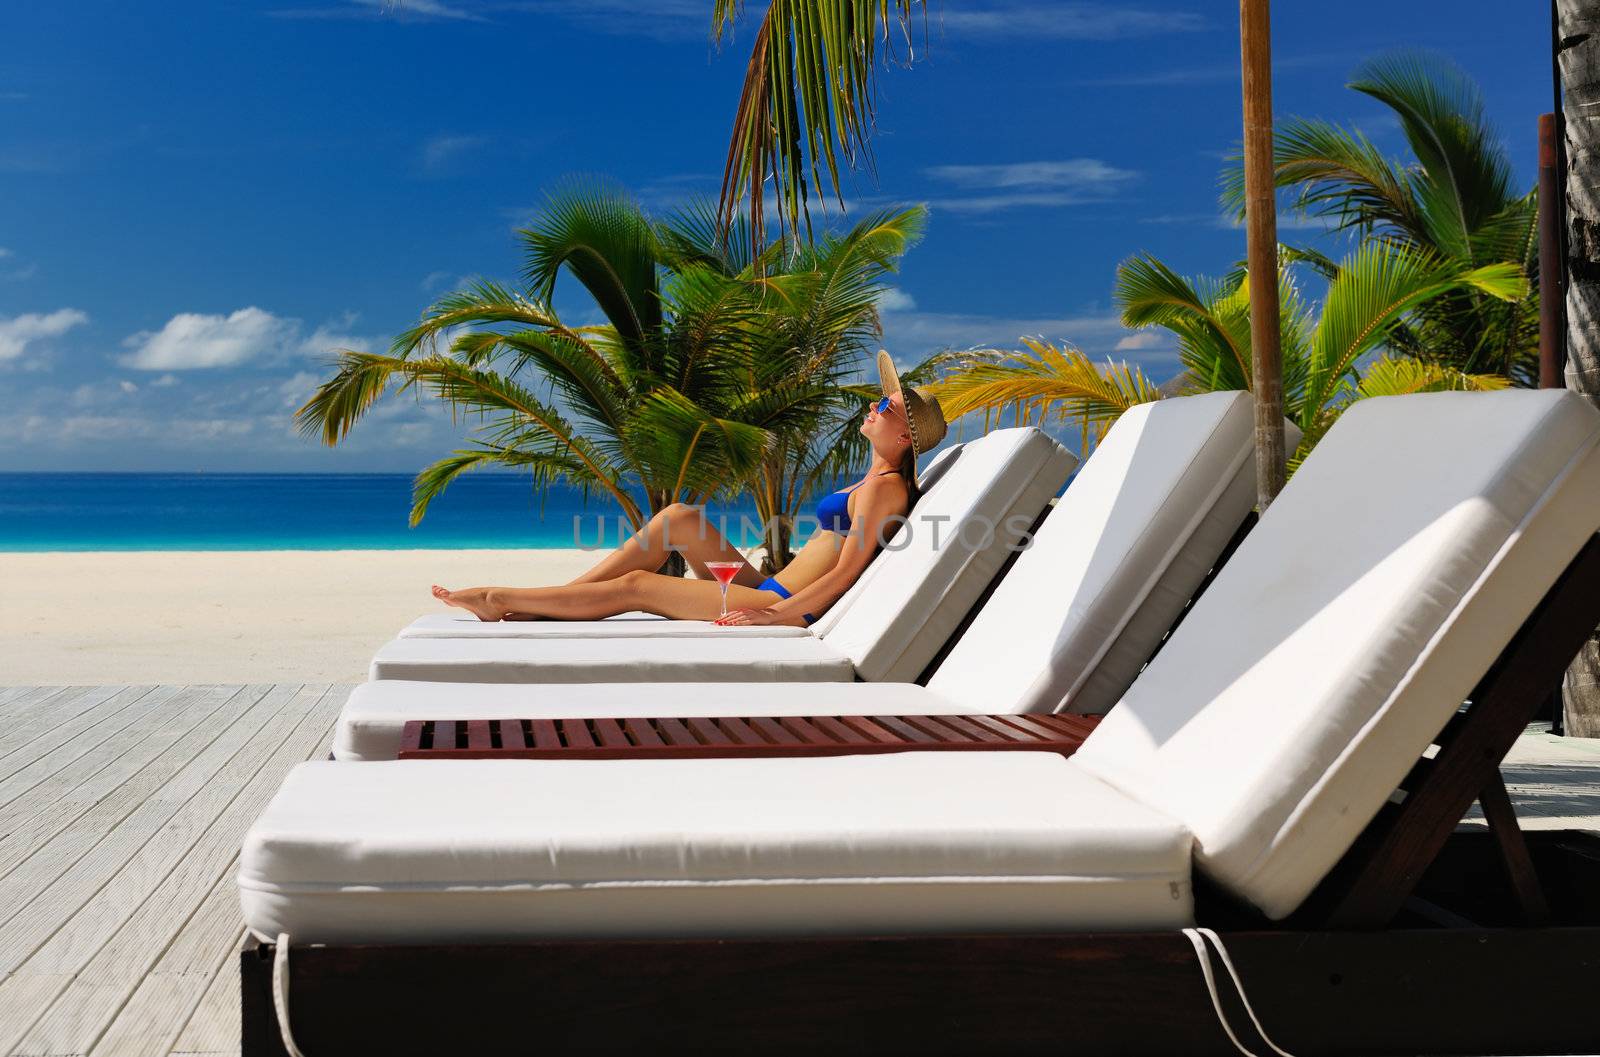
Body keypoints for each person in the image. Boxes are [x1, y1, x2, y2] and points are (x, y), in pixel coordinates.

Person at [431, 352, 947, 628]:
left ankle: (501, 599)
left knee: (637, 586)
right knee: (679, 517)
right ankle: (556, 600)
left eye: (886, 407)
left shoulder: (884, 491)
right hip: (772, 586)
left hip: (785, 602)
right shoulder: (873, 480)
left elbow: (846, 573)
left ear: (903, 436)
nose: (874, 407)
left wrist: (773, 616)